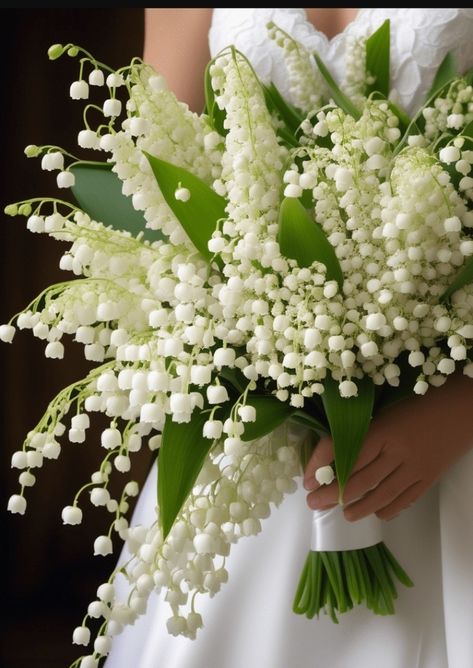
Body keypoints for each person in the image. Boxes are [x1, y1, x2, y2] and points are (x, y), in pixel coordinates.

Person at [105, 9, 473, 667]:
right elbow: (161, 194)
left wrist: (461, 408)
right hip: (258, 430)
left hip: (450, 429)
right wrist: (250, 348)